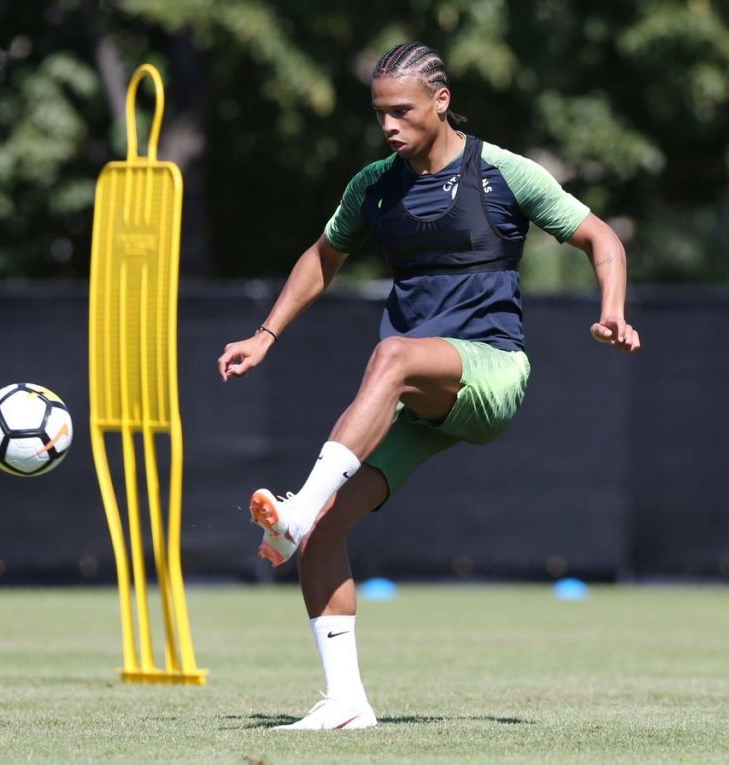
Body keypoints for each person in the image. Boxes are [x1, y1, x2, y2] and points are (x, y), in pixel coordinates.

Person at [218, 41, 641, 731]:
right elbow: (323, 258)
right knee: (327, 532)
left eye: (403, 111)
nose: (389, 125)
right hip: (420, 391)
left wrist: (612, 310)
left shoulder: (504, 172)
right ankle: (346, 701)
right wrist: (264, 335)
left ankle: (295, 510)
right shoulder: (373, 186)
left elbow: (603, 240)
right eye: (380, 112)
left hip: (493, 372)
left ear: (440, 102)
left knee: (391, 357)